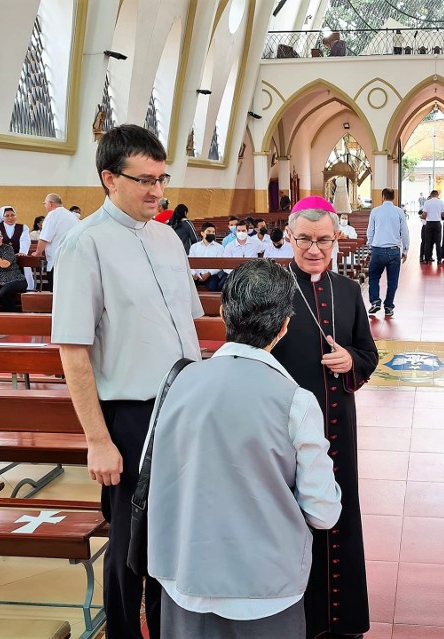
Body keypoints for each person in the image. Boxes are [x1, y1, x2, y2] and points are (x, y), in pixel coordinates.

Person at [51, 124, 203, 639]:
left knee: (174, 534)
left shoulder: (167, 237)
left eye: (162, 179)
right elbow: (73, 351)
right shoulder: (83, 244)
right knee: (130, 544)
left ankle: (168, 629)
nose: (157, 192)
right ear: (109, 179)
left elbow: (186, 327)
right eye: (145, 180)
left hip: (183, 405)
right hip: (131, 415)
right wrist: (98, 441)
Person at [147, 259, 342, 638]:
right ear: (286, 325)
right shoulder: (295, 401)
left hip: (183, 578)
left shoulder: (176, 382)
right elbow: (323, 513)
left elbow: (155, 474)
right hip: (265, 590)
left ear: (222, 313)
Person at [273, 196, 378, 639]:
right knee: (289, 516)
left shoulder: (349, 291)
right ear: (288, 238)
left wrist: (350, 360)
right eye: (304, 240)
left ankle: (344, 618)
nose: (314, 249)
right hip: (282, 425)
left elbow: (369, 354)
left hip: (336, 425)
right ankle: (300, 618)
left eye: (323, 240)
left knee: (339, 511)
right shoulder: (272, 289)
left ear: (337, 240)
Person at [367, 188, 409, 317]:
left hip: (378, 250)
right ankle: (389, 306)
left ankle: (375, 301)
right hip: (394, 251)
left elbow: (370, 231)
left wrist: (371, 246)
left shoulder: (375, 211)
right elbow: (405, 232)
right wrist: (406, 249)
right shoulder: (399, 212)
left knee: (373, 277)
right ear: (393, 198)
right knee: (393, 281)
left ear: (383, 197)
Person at [33, 193, 80, 290]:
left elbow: (44, 237)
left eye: (45, 204)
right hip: (73, 259)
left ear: (50, 203)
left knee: (55, 292)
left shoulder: (52, 215)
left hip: (57, 259)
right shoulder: (72, 216)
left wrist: (37, 253)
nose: (45, 206)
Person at [0, 227, 28, 310]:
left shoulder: (7, 248)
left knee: (4, 292)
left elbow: (4, 264)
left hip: (16, 280)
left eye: (0, 237)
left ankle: (11, 315)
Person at [0, 205, 33, 289]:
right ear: (2, 217)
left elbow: (25, 240)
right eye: (7, 216)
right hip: (2, 259)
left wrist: (22, 252)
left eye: (12, 215)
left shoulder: (23, 227)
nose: (10, 218)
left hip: (18, 257)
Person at [189, 222, 226, 291]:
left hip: (211, 275)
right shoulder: (194, 247)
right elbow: (191, 263)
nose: (211, 233)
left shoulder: (220, 247)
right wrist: (194, 273)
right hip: (196, 275)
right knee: (188, 288)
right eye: (209, 231)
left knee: (213, 288)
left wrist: (209, 273)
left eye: (213, 232)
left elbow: (220, 265)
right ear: (202, 233)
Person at [421, 190, 444, 263]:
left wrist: (422, 217)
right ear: (437, 195)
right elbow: (443, 214)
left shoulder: (427, 202)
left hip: (429, 224)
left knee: (428, 242)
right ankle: (439, 260)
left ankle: (427, 259)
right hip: (437, 223)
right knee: (438, 242)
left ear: (431, 195)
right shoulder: (441, 202)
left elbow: (424, 214)